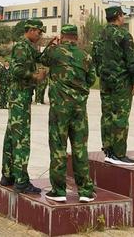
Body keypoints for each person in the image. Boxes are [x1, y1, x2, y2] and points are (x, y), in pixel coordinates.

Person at [40, 24, 97, 202]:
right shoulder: (85, 56)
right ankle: (85, 191)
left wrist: (52, 44)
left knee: (58, 147)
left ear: (62, 36)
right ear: (77, 37)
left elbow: (41, 59)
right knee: (80, 148)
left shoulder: (55, 52)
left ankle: (59, 191)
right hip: (79, 109)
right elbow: (92, 79)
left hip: (60, 109)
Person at [0, 18, 47, 194]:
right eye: (39, 32)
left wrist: (51, 45)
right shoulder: (22, 46)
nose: (41, 35)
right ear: (32, 30)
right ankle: (21, 180)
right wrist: (35, 76)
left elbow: (40, 57)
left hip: (20, 96)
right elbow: (16, 70)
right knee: (21, 138)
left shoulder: (29, 47)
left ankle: (8, 175)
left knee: (11, 136)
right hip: (19, 96)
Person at [92, 5, 134, 166]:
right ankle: (118, 154)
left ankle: (108, 150)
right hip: (121, 82)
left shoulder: (100, 36)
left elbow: (95, 58)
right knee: (120, 116)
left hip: (106, 82)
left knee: (107, 115)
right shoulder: (124, 35)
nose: (123, 18)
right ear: (118, 16)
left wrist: (102, 73)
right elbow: (132, 61)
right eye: (122, 15)